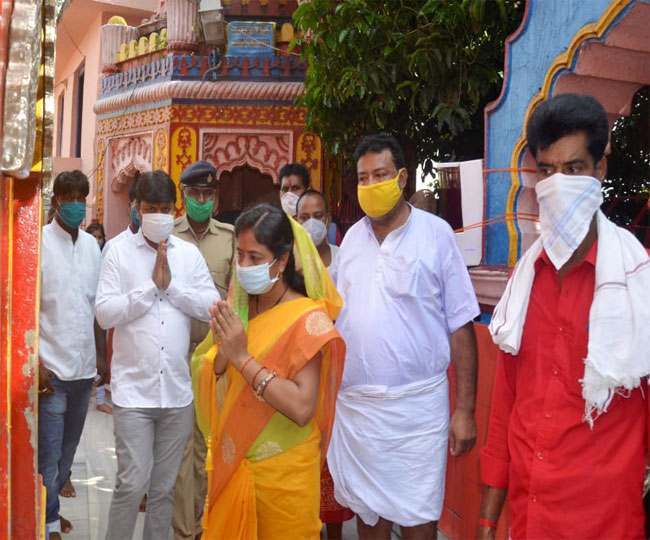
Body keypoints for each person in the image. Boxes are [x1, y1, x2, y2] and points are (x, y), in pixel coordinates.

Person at [480, 93, 650, 539]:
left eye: (573, 169)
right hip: (529, 517)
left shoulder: (639, 287)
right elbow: (505, 408)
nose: (557, 184)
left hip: (606, 523)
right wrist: (487, 519)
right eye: (547, 171)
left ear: (600, 172)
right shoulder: (523, 284)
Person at [327, 133, 480, 539]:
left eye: (380, 174)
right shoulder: (352, 239)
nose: (371, 185)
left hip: (417, 412)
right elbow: (333, 315)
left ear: (402, 177)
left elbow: (462, 324)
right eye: (363, 178)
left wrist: (464, 410)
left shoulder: (436, 234)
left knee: (418, 520)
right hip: (358, 412)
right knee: (368, 517)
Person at [192, 203, 346, 539]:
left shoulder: (309, 319)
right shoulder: (240, 309)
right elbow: (212, 369)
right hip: (235, 467)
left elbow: (303, 408)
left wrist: (242, 358)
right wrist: (221, 355)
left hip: (285, 483)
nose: (244, 266)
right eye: (241, 255)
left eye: (256, 258)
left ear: (283, 259)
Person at [95, 170, 218, 540]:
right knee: (132, 484)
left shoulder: (189, 255)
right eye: (152, 208)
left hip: (177, 394)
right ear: (137, 208)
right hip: (133, 393)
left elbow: (212, 304)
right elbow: (104, 312)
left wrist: (172, 287)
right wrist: (150, 289)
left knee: (164, 490)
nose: (160, 215)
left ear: (174, 208)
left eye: (166, 208)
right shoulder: (117, 251)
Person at [38, 170, 107, 540]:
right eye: (70, 198)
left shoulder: (92, 248)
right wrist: (35, 363)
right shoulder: (39, 244)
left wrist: (102, 357)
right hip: (51, 371)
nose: (77, 205)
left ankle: (50, 510)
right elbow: (27, 308)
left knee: (67, 454)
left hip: (83, 372)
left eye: (83, 197)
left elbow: (96, 307)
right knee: (48, 458)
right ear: (56, 201)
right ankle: (48, 523)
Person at [172, 160, 235, 540]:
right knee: (180, 453)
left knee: (208, 450)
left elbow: (237, 298)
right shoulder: (168, 235)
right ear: (183, 196)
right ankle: (183, 532)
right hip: (176, 357)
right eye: (194, 194)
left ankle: (204, 527)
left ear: (215, 198)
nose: (200, 200)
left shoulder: (229, 238)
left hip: (214, 360)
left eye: (207, 194)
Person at [84, 222, 113, 415]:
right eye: (92, 236)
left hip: (103, 315)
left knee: (101, 356)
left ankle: (100, 399)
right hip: (87, 314)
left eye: (99, 237)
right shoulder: (84, 258)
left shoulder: (108, 257)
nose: (96, 240)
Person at [296, 189, 339, 270]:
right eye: (304, 217)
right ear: (296, 221)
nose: (311, 222)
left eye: (318, 216)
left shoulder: (341, 257)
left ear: (328, 220)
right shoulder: (289, 262)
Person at [104, 183, 140, 254]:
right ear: (130, 207)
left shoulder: (161, 247)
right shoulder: (113, 247)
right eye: (138, 204)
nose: (142, 210)